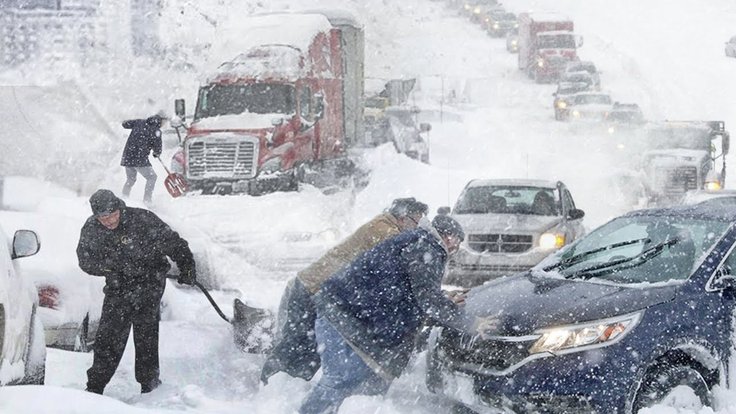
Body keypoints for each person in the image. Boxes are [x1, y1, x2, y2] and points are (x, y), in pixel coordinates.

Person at [299, 215, 474, 414]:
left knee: (367, 386)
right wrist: (471, 323)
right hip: (346, 316)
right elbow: (427, 299)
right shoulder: (428, 247)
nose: (456, 249)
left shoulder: (418, 241)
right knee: (342, 378)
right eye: (457, 242)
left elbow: (411, 291)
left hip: (354, 316)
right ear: (448, 237)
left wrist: (442, 299)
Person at [260, 197, 429, 384]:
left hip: (319, 289)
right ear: (403, 217)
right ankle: (270, 385)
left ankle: (284, 388)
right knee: (298, 345)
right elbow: (402, 251)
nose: (417, 228)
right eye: (417, 221)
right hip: (311, 288)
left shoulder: (386, 226)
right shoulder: (382, 228)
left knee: (309, 349)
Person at [76, 189, 197, 395]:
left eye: (112, 214)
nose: (109, 221)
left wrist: (187, 266)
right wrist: (110, 270)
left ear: (119, 208)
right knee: (109, 335)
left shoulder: (142, 220)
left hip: (149, 282)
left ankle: (149, 383)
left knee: (146, 332)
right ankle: (95, 385)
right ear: (96, 216)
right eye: (103, 217)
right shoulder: (92, 228)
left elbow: (174, 243)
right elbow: (85, 260)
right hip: (118, 285)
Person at [121, 114, 164, 204]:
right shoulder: (157, 131)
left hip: (128, 157)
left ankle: (124, 198)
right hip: (139, 159)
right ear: (161, 120)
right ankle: (147, 200)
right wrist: (156, 153)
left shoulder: (139, 122)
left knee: (131, 179)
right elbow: (157, 149)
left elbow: (125, 124)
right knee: (152, 177)